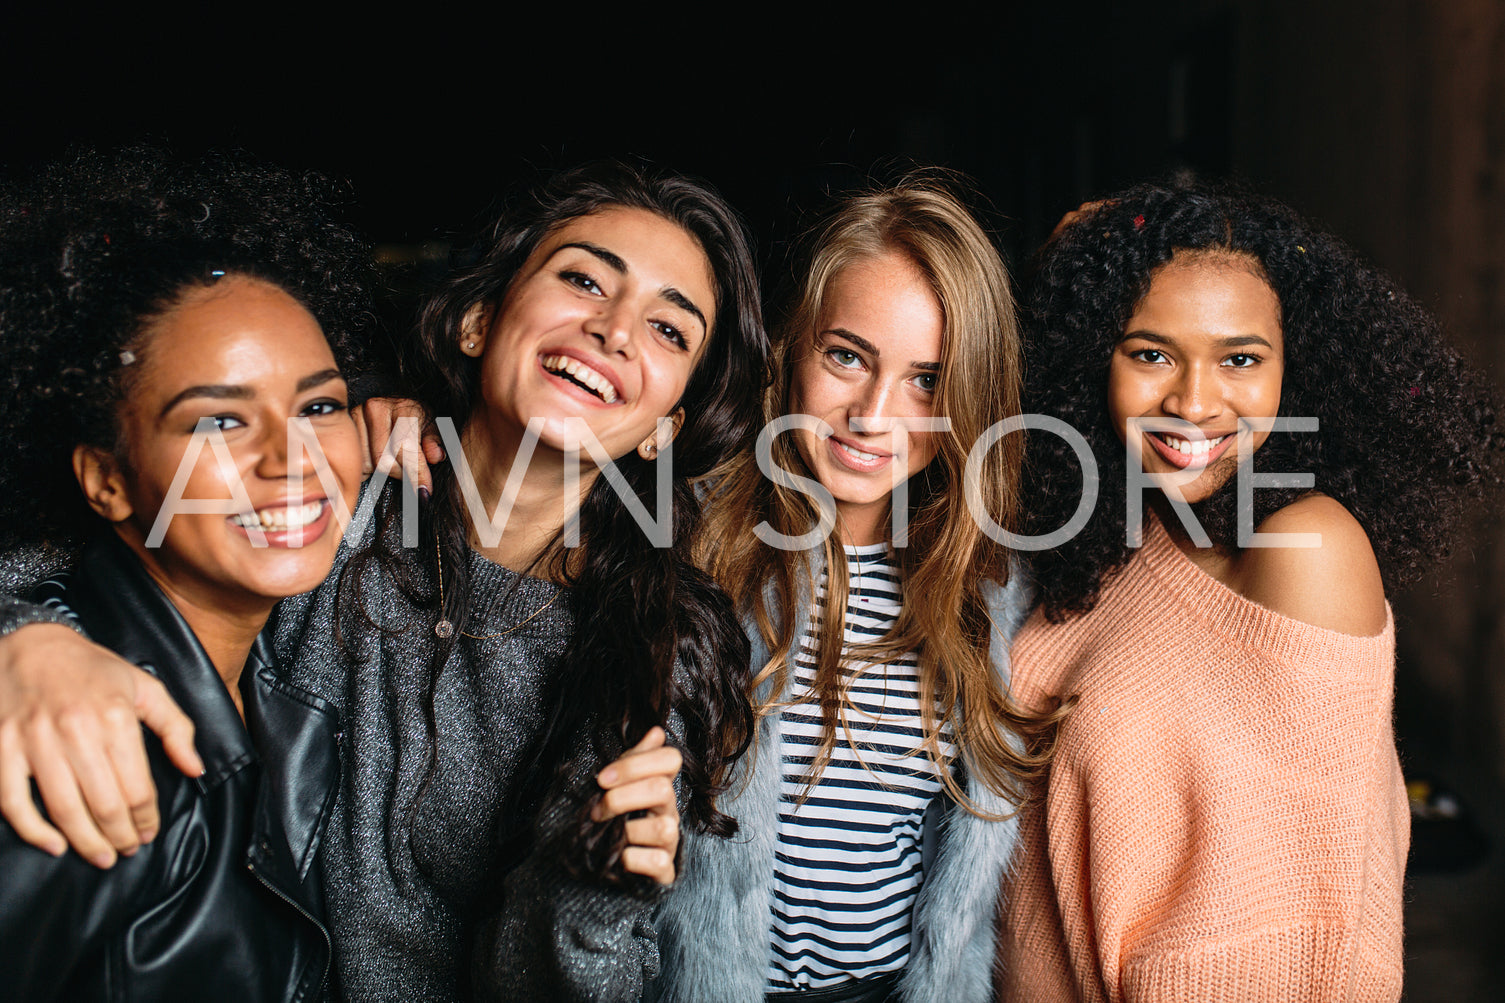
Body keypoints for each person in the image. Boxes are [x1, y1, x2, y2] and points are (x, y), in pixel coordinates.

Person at [0, 160, 769, 1001]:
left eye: (669, 330)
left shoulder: (651, 653)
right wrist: (28, 640)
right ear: (480, 319)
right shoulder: (316, 493)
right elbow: (83, 548)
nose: (615, 330)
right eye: (584, 279)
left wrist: (588, 888)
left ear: (665, 427)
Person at [996, 183, 1501, 1001]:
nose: (1194, 403)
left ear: (1295, 365)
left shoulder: (1305, 548)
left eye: (1239, 358)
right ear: (1092, 352)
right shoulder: (1119, 530)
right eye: (1149, 352)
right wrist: (1071, 262)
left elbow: (1304, 924)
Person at [648, 175, 1066, 1003]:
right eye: (847, 355)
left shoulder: (987, 587)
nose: (872, 414)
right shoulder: (681, 544)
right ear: (792, 347)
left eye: (925, 380)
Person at [0, 148, 370, 1000]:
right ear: (108, 479)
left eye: (320, 405)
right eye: (216, 423)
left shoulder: (280, 688)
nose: (294, 457)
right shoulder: (82, 752)